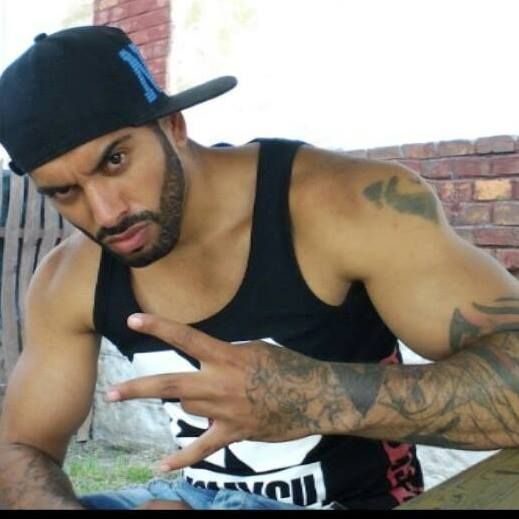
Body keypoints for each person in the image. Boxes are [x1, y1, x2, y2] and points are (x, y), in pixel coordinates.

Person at [0, 25, 518, 511]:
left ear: (173, 126)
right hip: (190, 496)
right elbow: (21, 448)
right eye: (64, 192)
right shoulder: (70, 277)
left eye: (115, 161)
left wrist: (318, 395)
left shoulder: (347, 204)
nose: (107, 213)